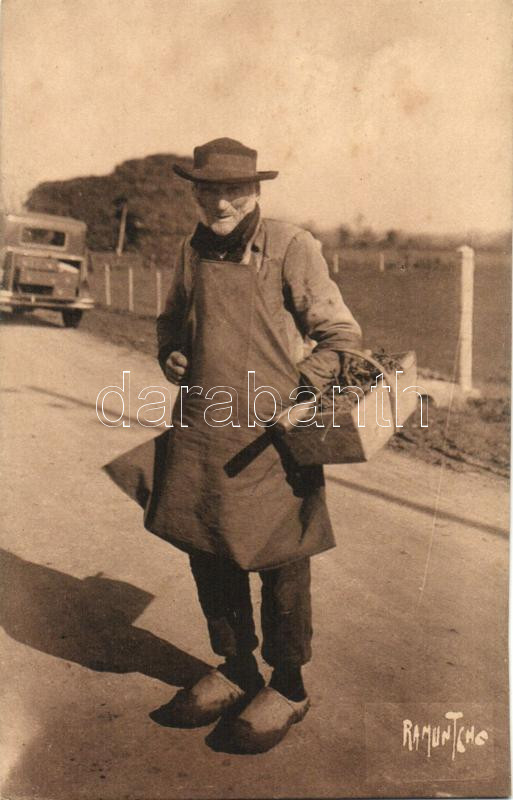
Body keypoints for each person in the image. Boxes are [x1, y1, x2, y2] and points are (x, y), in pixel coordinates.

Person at [152, 137, 361, 753]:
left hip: (273, 439)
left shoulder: (292, 247)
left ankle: (289, 686)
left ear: (255, 191)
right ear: (195, 192)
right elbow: (171, 321)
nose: (220, 203)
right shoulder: (191, 249)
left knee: (280, 561)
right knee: (208, 548)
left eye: (234, 191)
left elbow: (341, 336)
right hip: (203, 430)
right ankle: (236, 668)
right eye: (208, 190)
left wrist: (298, 390)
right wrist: (171, 352)